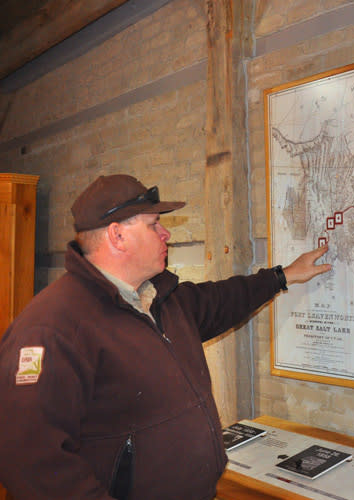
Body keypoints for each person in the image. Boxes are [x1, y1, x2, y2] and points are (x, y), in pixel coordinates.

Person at [0, 174, 331, 500]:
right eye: (153, 225)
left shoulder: (161, 299)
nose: (166, 233)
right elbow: (30, 460)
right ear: (117, 236)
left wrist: (283, 275)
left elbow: (224, 299)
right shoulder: (54, 328)